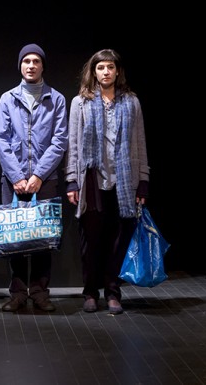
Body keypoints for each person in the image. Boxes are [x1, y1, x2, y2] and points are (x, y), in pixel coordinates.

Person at [64, 48, 150, 315]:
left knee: (117, 240)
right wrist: (71, 181)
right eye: (101, 67)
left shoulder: (131, 102)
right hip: (92, 179)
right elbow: (73, 144)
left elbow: (139, 142)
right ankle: (90, 292)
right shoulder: (80, 102)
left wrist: (143, 180)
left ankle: (113, 292)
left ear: (117, 71)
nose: (106, 72)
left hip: (123, 180)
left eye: (110, 67)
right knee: (91, 241)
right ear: (93, 71)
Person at [0, 43, 68, 312]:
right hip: (12, 180)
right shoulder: (7, 98)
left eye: (36, 61)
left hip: (45, 180)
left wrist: (38, 174)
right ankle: (17, 293)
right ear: (20, 65)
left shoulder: (56, 99)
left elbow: (59, 141)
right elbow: (2, 140)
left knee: (42, 238)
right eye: (26, 61)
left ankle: (39, 292)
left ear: (42, 66)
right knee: (13, 238)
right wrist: (16, 176)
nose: (31, 65)